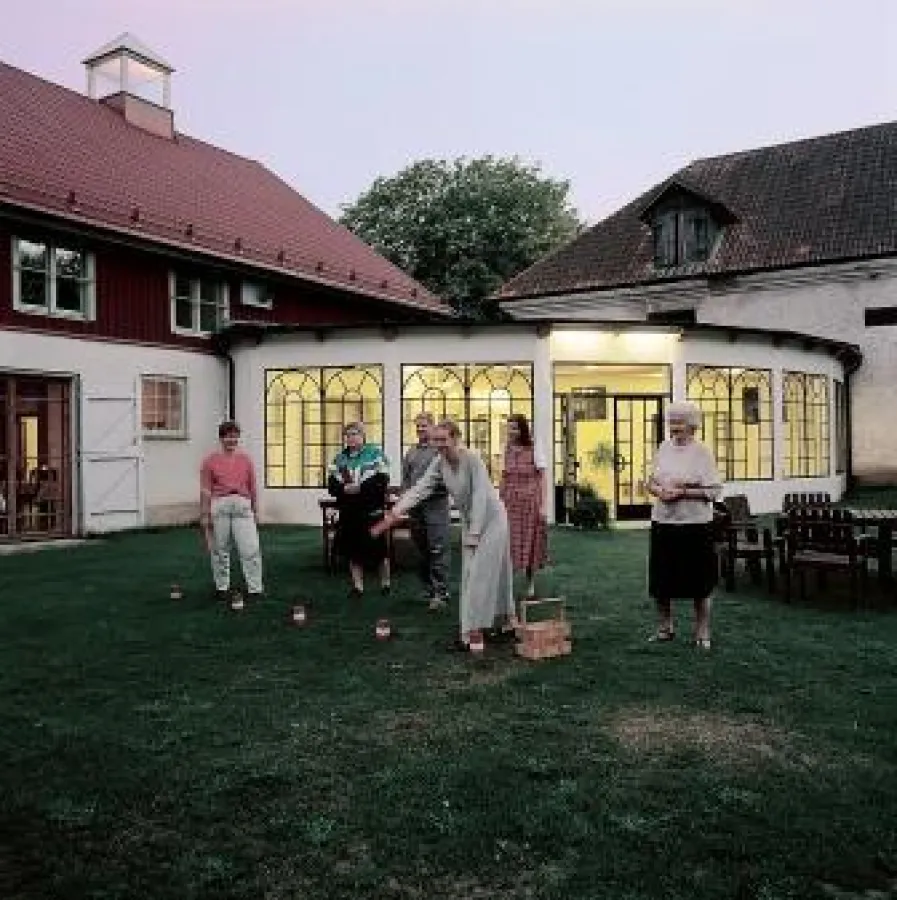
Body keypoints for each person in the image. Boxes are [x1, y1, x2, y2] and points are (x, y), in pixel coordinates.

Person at [375, 418, 514, 652]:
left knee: (481, 575)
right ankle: (492, 625)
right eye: (435, 440)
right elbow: (420, 488)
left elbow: (480, 494)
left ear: (455, 438)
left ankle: (480, 630)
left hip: (492, 520)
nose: (438, 444)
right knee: (475, 574)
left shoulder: (473, 458)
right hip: (473, 522)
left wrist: (475, 533)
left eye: (443, 440)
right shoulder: (439, 463)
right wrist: (397, 509)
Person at [645, 401, 723, 649]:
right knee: (661, 581)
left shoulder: (702, 452)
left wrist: (683, 493)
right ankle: (665, 628)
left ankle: (702, 632)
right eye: (671, 422)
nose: (673, 428)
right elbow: (650, 481)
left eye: (678, 423)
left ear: (692, 426)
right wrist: (658, 491)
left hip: (695, 525)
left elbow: (713, 491)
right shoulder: (663, 447)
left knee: (699, 581)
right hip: (664, 522)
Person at [200, 420, 263, 601]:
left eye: (235, 436)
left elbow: (253, 487)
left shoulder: (246, 460)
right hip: (220, 505)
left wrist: (256, 511)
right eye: (228, 436)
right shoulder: (209, 461)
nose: (231, 439)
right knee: (219, 550)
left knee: (250, 548)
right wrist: (204, 515)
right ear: (221, 438)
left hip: (243, 506)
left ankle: (255, 588)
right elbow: (205, 489)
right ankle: (221, 587)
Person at [327, 422, 391, 597]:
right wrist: (343, 489)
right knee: (352, 551)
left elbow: (382, 479)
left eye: (355, 434)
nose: (351, 438)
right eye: (348, 435)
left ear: (363, 436)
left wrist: (360, 488)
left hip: (371, 510)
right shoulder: (339, 459)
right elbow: (332, 485)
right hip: (349, 512)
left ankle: (385, 583)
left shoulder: (376, 454)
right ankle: (358, 587)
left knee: (379, 551)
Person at [401, 412, 451, 610]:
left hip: (436, 508)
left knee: (437, 549)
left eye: (424, 426)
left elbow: (446, 480)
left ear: (432, 427)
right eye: (418, 426)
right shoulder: (411, 452)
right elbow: (406, 479)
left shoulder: (439, 451)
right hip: (416, 510)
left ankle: (442, 592)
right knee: (421, 551)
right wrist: (406, 498)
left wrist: (430, 493)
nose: (421, 429)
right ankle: (429, 589)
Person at [499, 413, 548, 598]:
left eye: (514, 428)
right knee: (509, 542)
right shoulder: (507, 448)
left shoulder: (535, 446)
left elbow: (542, 476)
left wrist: (543, 505)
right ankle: (507, 583)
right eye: (509, 427)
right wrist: (499, 499)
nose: (511, 431)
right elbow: (504, 475)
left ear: (522, 429)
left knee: (530, 542)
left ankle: (530, 582)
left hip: (530, 501)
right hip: (510, 501)